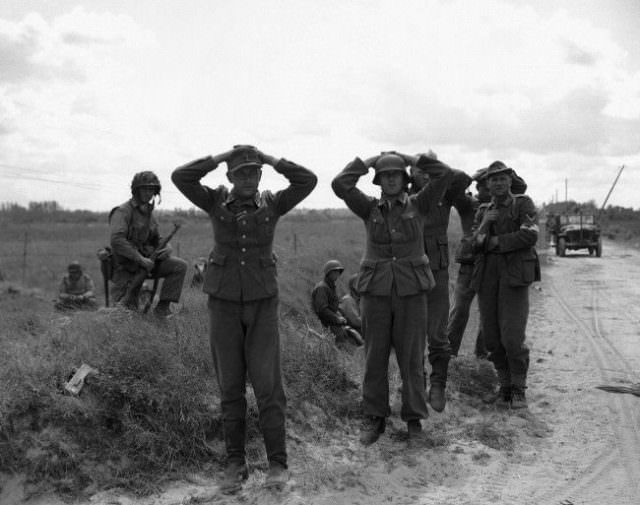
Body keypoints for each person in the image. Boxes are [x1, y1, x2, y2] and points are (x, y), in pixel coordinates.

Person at [172, 145, 317, 493]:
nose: (249, 178)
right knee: (231, 388)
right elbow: (181, 177)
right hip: (222, 304)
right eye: (241, 172)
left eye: (254, 171)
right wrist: (220, 156)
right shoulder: (215, 202)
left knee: (269, 388)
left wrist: (270, 158)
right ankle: (235, 463)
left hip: (263, 303)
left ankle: (278, 464)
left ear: (261, 174)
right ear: (230, 176)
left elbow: (307, 180)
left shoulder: (273, 204)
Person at [332, 151, 457, 445]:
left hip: (411, 292)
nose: (390, 179)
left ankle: (414, 420)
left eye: (396, 174)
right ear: (378, 180)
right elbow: (340, 185)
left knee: (412, 358)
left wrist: (413, 158)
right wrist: (368, 162)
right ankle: (375, 417)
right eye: (385, 174)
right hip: (376, 293)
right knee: (374, 357)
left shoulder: (420, 203)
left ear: (404, 178)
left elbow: (446, 175)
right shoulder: (369, 208)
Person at [409, 150, 473, 413]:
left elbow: (464, 178)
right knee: (410, 335)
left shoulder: (445, 192)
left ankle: (438, 384)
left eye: (429, 170)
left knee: (437, 333)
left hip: (437, 271)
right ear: (411, 172)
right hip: (408, 272)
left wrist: (432, 167)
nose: (424, 174)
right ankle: (417, 382)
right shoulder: (404, 195)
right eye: (418, 170)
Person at [471, 161, 539, 409]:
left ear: (510, 180)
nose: (498, 183)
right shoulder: (483, 211)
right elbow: (473, 244)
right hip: (488, 277)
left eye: (502, 178)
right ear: (487, 184)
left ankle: (519, 389)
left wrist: (494, 242)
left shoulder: (523, 204)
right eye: (493, 179)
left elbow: (529, 235)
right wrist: (486, 223)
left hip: (514, 276)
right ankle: (505, 387)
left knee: (512, 337)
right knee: (492, 338)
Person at [447, 168, 528, 359]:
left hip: (493, 265)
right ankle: (449, 355)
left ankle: (481, 355)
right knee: (459, 311)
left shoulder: (509, 205)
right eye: (479, 186)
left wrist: (496, 172)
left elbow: (521, 185)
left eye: (483, 186)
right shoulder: (469, 204)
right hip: (469, 264)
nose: (479, 191)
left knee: (488, 315)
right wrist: (476, 175)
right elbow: (455, 186)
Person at [109, 171, 188, 317]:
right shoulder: (122, 211)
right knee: (123, 313)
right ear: (136, 190)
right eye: (144, 189)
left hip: (148, 263)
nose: (148, 193)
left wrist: (167, 248)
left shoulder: (148, 213)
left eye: (151, 190)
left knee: (179, 265)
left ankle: (162, 309)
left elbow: (156, 238)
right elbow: (117, 240)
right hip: (126, 267)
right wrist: (140, 259)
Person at [311, 260, 363, 347]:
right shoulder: (322, 288)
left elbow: (334, 307)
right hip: (328, 324)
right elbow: (322, 309)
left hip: (334, 323)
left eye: (339, 271)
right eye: (335, 271)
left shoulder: (330, 287)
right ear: (328, 272)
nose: (337, 273)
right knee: (343, 346)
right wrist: (336, 318)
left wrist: (339, 316)